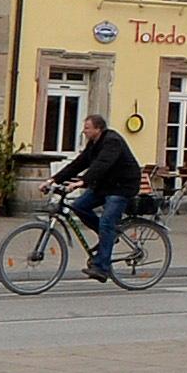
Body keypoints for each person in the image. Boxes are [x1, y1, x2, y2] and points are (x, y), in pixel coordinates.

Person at [62, 117, 145, 284]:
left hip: (122, 186)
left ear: (98, 129)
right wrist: (53, 180)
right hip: (105, 185)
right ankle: (108, 236)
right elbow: (79, 163)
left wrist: (83, 182)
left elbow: (102, 164)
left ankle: (102, 267)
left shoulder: (112, 141)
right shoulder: (93, 144)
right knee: (79, 206)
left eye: (87, 128)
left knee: (107, 222)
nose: (84, 131)